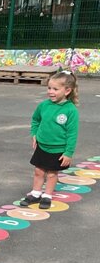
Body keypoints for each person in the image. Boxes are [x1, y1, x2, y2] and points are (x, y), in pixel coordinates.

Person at [20, 70, 79, 209]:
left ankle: (47, 196)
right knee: (38, 171)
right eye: (49, 88)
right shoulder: (44, 105)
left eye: (55, 89)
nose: (51, 92)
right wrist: (34, 134)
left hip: (58, 149)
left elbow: (72, 134)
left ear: (67, 91)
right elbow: (35, 120)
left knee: (52, 174)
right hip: (42, 146)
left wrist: (68, 153)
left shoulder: (71, 110)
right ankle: (35, 194)